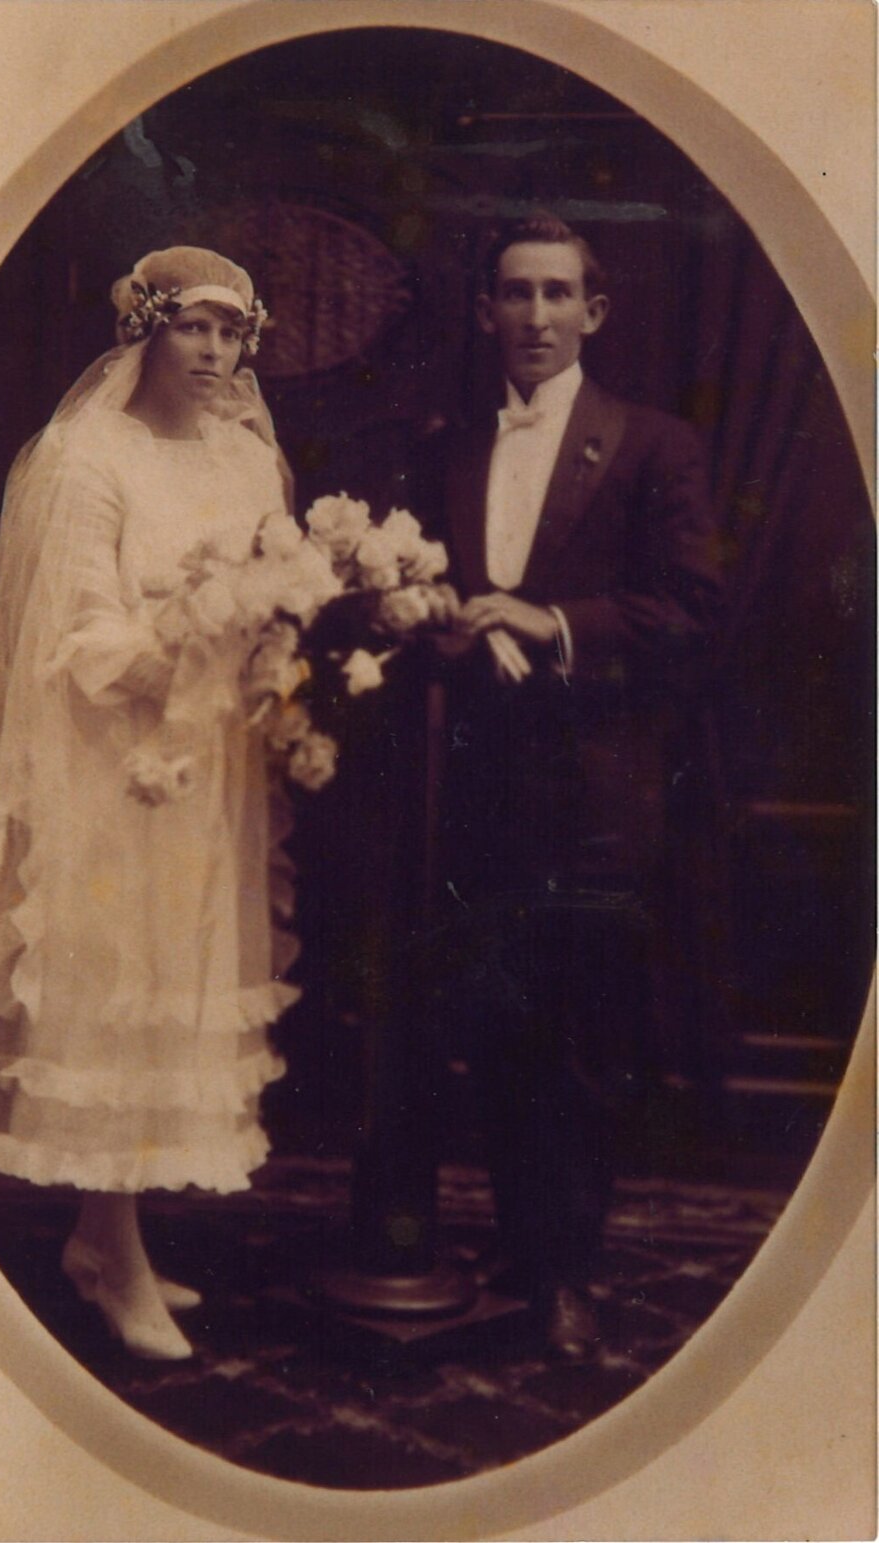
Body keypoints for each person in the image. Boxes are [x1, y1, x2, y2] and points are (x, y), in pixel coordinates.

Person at [0, 246, 300, 1361]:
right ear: (144, 331)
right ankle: (113, 1253)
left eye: (232, 333)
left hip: (210, 775)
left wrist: (269, 655)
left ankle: (109, 1242)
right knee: (118, 988)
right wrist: (200, 643)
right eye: (192, 328)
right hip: (113, 767)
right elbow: (81, 631)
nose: (213, 353)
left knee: (177, 980)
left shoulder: (248, 460)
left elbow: (276, 587)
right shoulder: (84, 457)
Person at [400, 217, 724, 1356]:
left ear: (595, 311)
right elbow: (432, 600)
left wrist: (553, 621)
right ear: (485, 311)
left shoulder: (652, 447)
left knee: (582, 1036)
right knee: (496, 1026)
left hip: (597, 797)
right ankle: (518, 1241)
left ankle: (567, 1273)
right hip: (476, 793)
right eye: (514, 295)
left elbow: (692, 616)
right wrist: (432, 626)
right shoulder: (451, 448)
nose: (534, 317)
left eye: (556, 295)